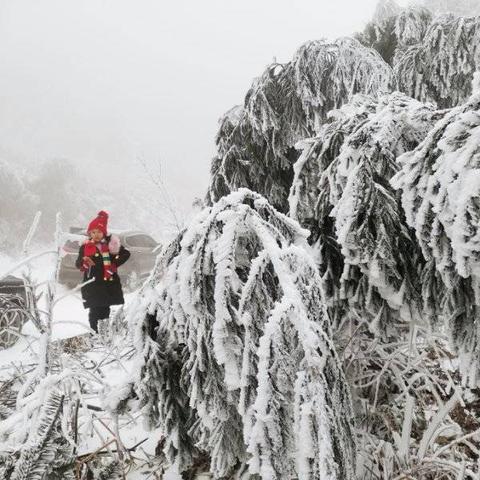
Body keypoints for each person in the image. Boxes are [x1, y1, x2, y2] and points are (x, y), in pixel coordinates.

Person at [75, 210, 130, 333]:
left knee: (105, 309)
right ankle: (94, 333)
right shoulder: (85, 246)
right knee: (94, 310)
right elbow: (78, 263)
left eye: (99, 232)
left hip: (107, 283)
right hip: (92, 284)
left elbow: (126, 254)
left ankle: (104, 334)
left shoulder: (112, 245)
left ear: (104, 232)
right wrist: (84, 262)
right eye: (93, 232)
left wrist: (113, 265)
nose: (96, 234)